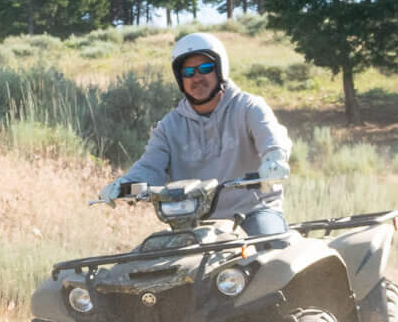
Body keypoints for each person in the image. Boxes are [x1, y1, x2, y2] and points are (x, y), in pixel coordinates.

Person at [100, 32, 294, 234]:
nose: (197, 77)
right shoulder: (168, 127)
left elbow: (272, 137)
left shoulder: (248, 107)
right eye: (188, 72)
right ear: (180, 78)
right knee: (150, 262)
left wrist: (274, 159)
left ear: (220, 70)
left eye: (205, 68)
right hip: (194, 222)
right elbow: (149, 167)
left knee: (271, 250)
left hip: (253, 213)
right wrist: (124, 184)